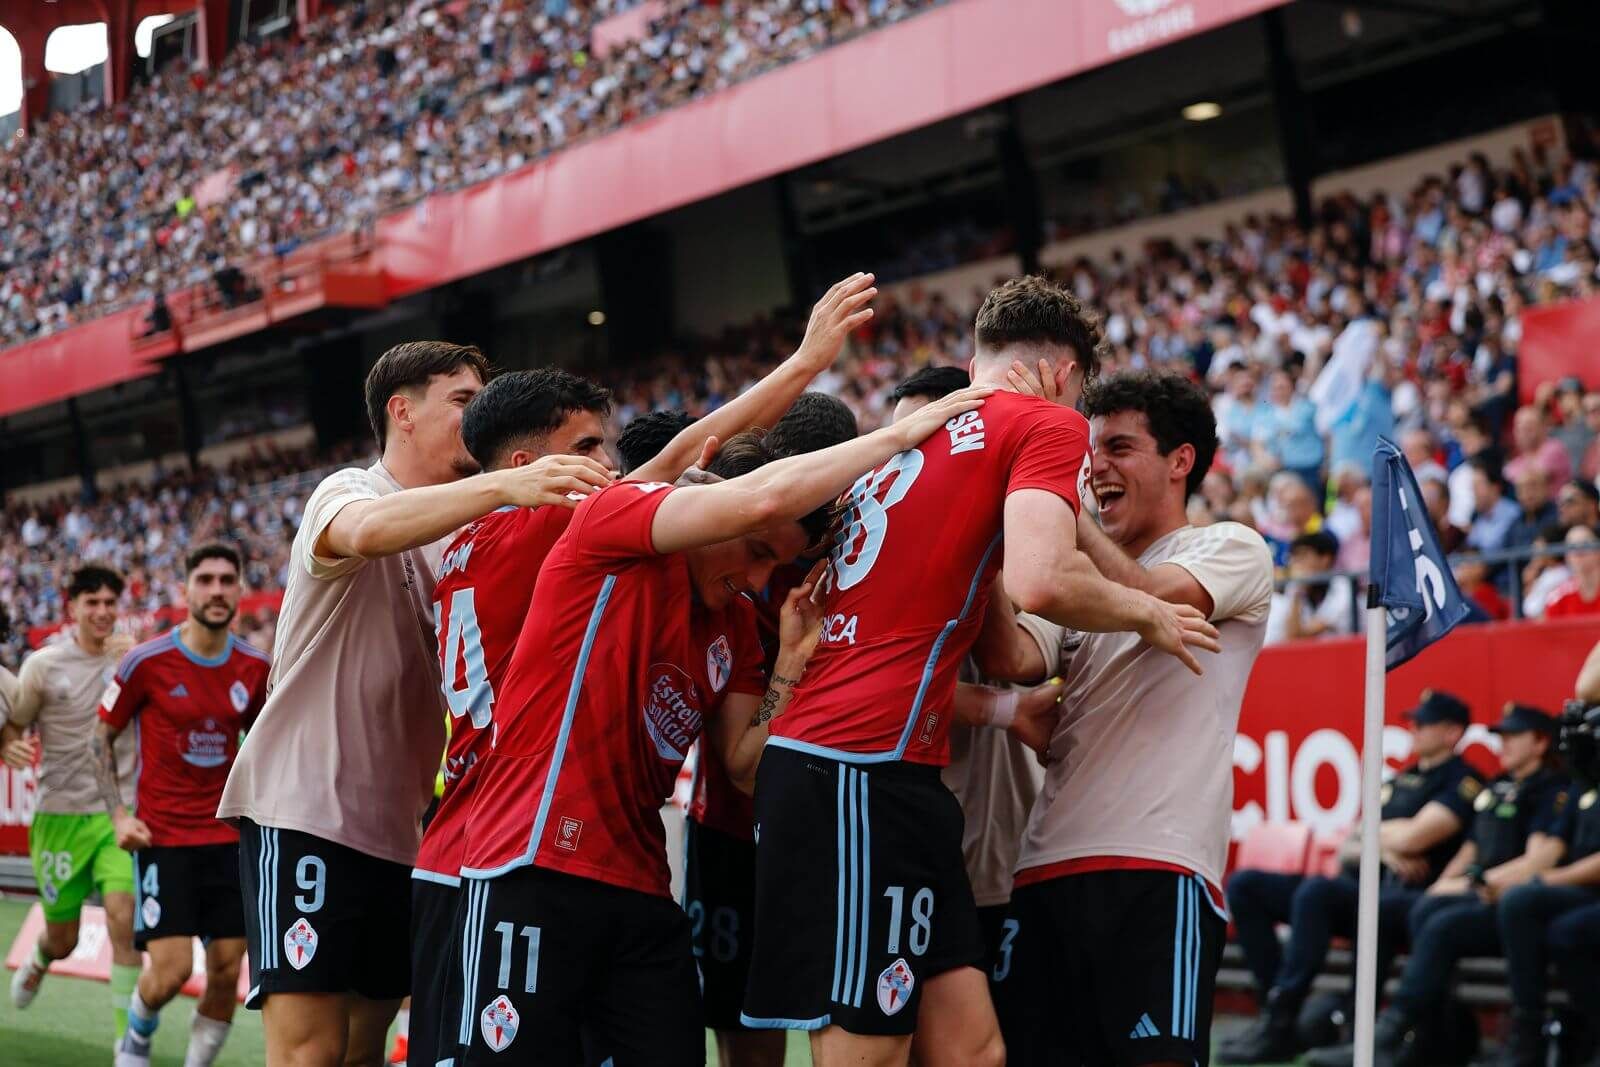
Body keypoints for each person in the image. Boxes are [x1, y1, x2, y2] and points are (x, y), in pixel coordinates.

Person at [743, 282, 1221, 1067]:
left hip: (883, 770)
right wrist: (1148, 614)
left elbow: (1007, 649)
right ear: (1067, 377)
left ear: (973, 365)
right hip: (859, 766)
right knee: (870, 1048)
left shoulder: (908, 438)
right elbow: (1041, 583)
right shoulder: (1043, 422)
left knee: (973, 1050)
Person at [451, 382, 994, 1065]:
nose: (762, 579)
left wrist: (792, 663)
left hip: (643, 883)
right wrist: (890, 437)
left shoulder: (736, 623)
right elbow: (760, 497)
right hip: (532, 862)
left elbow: (742, 762)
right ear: (711, 512)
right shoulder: (613, 524)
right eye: (758, 552)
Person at [416, 272, 880, 1067]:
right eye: (589, 449)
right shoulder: (551, 522)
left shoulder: (723, 616)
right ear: (527, 465)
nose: (609, 462)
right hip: (518, 844)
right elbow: (681, 463)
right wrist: (805, 366)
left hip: (513, 830)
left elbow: (740, 761)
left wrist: (793, 668)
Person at [216, 341, 614, 1067]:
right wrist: (506, 488)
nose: (476, 415)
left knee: (368, 1050)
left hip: (402, 833)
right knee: (308, 1054)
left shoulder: (463, 534)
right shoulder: (347, 491)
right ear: (402, 411)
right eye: (462, 401)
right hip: (305, 810)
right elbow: (364, 535)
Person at [974, 369, 1274, 1067]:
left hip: (1159, 869)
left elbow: (1147, 594)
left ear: (1180, 461)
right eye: (1086, 451)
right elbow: (1011, 655)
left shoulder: (1231, 547)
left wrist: (1056, 503)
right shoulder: (1070, 579)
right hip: (1042, 870)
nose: (1094, 467)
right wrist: (991, 531)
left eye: (1118, 447)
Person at [884, 363, 1057, 1063]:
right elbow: (888, 684)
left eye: (927, 442)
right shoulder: (886, 559)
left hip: (1015, 858)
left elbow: (1028, 655)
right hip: (924, 862)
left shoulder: (1034, 543)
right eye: (900, 446)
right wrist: (1004, 707)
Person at [1220, 690, 1485, 1064]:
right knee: (1246, 885)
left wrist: (1377, 838)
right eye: (1414, 721)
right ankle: (1278, 1011)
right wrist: (1388, 848)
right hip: (1362, 885)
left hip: (1407, 899)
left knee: (1319, 893)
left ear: (1452, 732)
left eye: (1424, 723)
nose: (1414, 728)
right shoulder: (1400, 780)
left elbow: (1415, 837)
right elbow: (1350, 843)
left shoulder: (1463, 781)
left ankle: (1310, 1022)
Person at [1307, 705, 1570, 1067]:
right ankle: (1384, 1029)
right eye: (1500, 736)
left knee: (1442, 924)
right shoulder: (1498, 786)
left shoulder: (1550, 789)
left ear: (1540, 742)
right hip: (1476, 893)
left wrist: (1473, 883)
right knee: (1402, 908)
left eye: (1512, 736)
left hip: (1506, 899)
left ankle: (1399, 1031)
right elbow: (1470, 849)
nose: (1503, 744)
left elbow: (1538, 860)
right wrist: (1442, 887)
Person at [92, 544, 271, 1067]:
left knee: (225, 969)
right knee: (170, 972)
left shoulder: (255, 667)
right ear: (186, 590)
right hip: (164, 840)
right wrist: (119, 815)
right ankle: (137, 1039)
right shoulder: (145, 662)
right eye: (206, 580)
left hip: (229, 843)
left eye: (226, 581)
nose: (217, 590)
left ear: (239, 591)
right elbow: (99, 737)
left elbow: (265, 746)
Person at [2, 564, 142, 1032]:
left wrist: (137, 661)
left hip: (116, 813)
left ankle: (128, 1047)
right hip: (59, 816)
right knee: (63, 939)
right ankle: (43, 956)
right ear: (72, 608)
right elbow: (13, 726)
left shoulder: (132, 660)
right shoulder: (42, 666)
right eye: (92, 603)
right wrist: (6, 744)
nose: (102, 612)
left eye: (109, 603)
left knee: (123, 918)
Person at [1494, 763, 1600, 1067]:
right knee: (1521, 905)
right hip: (1579, 891)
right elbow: (1554, 843)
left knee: (1567, 931)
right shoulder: (1584, 781)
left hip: (1586, 889)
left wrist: (1541, 880)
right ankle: (1529, 1028)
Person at [1265, 531, 1355, 644]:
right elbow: (1291, 637)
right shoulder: (1296, 587)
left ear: (1325, 560)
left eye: (1303, 556)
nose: (1295, 564)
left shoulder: (1342, 585)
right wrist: (1298, 591)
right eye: (1293, 558)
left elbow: (1298, 635)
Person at [1545, 525, 1600, 618]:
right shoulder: (1558, 598)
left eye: (1585, 544)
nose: (1579, 551)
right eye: (1572, 547)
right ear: (1567, 556)